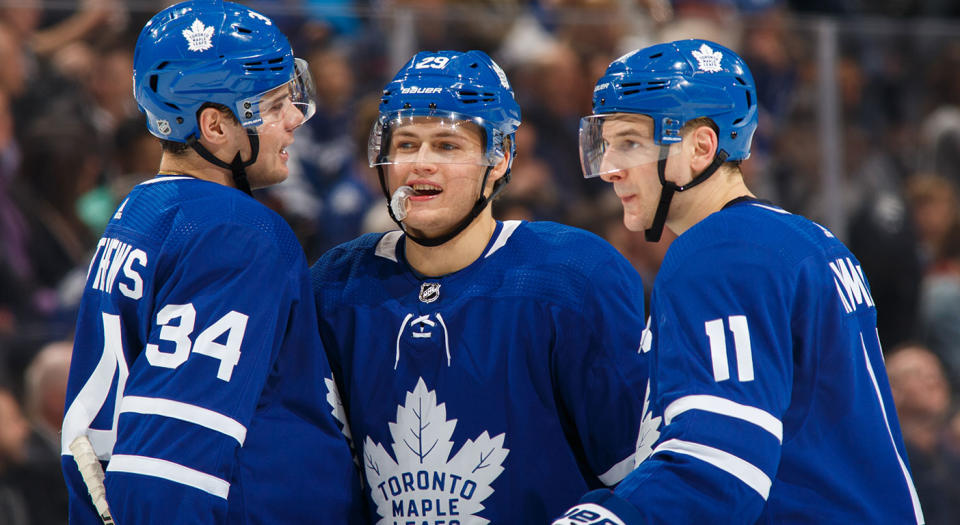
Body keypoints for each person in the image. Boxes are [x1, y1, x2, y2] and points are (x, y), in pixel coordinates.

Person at [553, 39, 923, 524]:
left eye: (629, 142)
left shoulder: (720, 253)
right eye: (606, 145)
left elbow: (721, 462)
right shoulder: (810, 238)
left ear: (701, 146)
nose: (609, 168)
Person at [310, 50, 649, 523]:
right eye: (406, 144)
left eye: (447, 146)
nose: (420, 163)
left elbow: (643, 477)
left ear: (500, 157)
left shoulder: (572, 276)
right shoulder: (337, 284)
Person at [60, 1, 363, 523]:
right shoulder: (236, 231)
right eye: (272, 105)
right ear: (215, 127)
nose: (294, 119)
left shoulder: (144, 208)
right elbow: (171, 465)